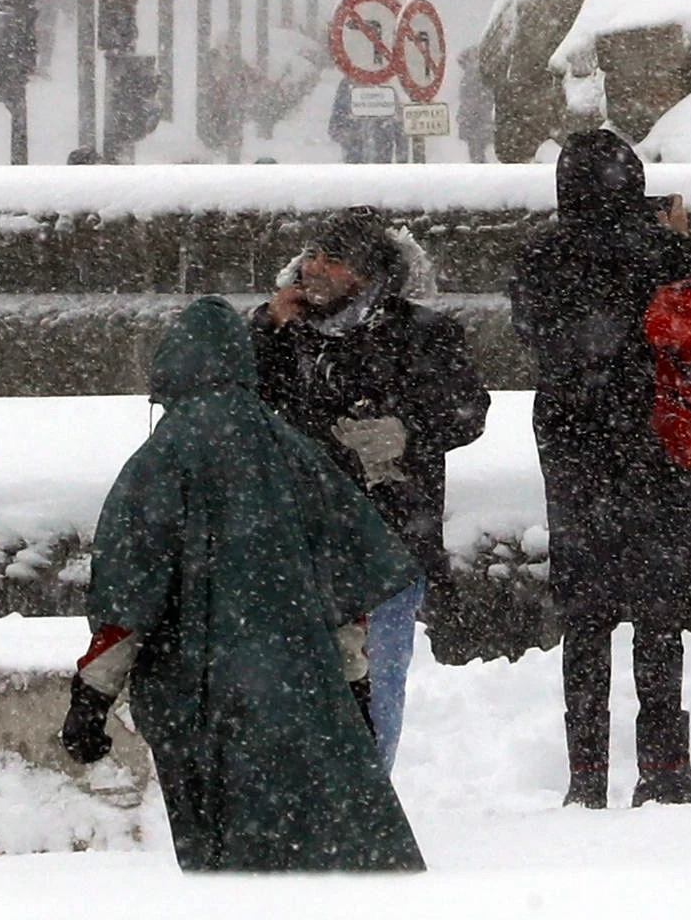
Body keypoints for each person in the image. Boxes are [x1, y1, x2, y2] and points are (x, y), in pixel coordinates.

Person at [62, 296, 427, 871]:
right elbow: (346, 580)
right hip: (303, 694)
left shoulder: (162, 459)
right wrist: (354, 680)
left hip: (205, 700)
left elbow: (129, 598)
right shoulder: (294, 452)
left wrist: (91, 698)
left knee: (227, 857)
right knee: (324, 857)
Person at [513, 129, 691, 806]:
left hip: (576, 448)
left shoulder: (539, 259)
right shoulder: (666, 251)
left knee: (584, 617)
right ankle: (664, 766)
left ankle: (586, 777)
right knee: (658, 613)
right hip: (653, 443)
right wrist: (678, 243)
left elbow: (534, 335)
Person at [251, 208, 490, 767]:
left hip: (390, 542)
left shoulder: (419, 333)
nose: (314, 268)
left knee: (377, 684)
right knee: (297, 689)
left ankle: (367, 799)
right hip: (298, 544)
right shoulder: (285, 332)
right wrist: (267, 327)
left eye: (331, 260)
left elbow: (468, 410)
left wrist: (405, 432)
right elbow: (238, 398)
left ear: (367, 274)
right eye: (311, 255)